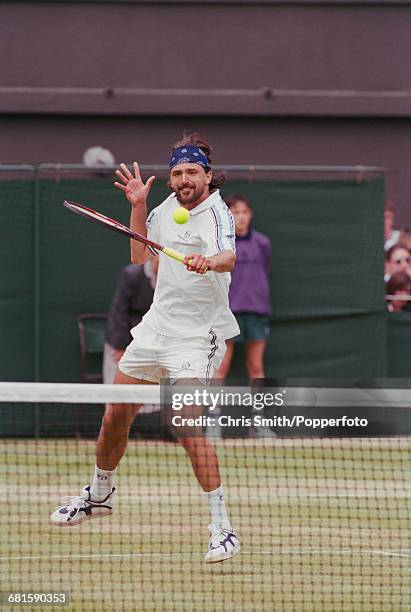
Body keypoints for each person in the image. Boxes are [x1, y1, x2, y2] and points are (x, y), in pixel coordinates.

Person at [51, 132, 241, 564]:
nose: (184, 179)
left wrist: (207, 261)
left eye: (192, 172)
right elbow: (140, 255)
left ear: (208, 177)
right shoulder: (164, 207)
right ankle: (99, 494)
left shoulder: (217, 213)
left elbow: (228, 257)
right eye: (177, 172)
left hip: (198, 335)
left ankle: (222, 528)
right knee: (116, 413)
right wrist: (138, 207)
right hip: (155, 329)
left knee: (186, 424)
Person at [215, 194, 272, 381]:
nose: (241, 216)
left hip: (257, 311)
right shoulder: (223, 246)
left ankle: (259, 410)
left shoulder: (262, 243)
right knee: (221, 365)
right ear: (228, 215)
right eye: (236, 211)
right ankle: (214, 410)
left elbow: (265, 269)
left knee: (256, 365)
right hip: (228, 312)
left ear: (251, 214)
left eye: (245, 212)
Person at [103, 258, 158, 384]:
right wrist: (120, 347)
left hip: (146, 342)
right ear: (153, 256)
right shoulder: (131, 274)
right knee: (114, 389)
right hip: (120, 340)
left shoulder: (170, 279)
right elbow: (119, 311)